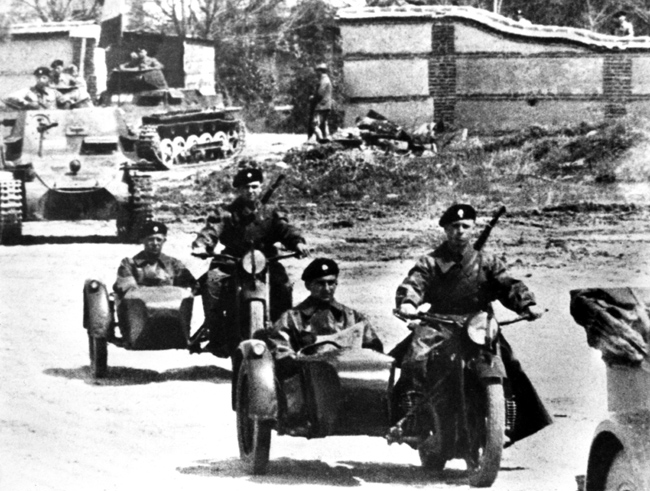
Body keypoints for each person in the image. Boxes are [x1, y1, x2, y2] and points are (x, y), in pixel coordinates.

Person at [394, 204, 551, 444]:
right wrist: (408, 303)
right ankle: (415, 421)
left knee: (511, 364)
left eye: (465, 226)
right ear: (446, 230)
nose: (460, 231)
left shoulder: (487, 261)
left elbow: (508, 285)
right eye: (454, 227)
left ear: (473, 228)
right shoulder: (430, 261)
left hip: (478, 324)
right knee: (415, 359)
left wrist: (527, 305)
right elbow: (414, 284)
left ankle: (508, 423)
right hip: (439, 323)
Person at [191, 165, 310, 356]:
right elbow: (211, 231)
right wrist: (202, 245)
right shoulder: (226, 212)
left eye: (254, 186)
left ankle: (285, 335)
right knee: (212, 284)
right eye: (245, 187)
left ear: (261, 187)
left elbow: (286, 229)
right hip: (231, 261)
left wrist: (297, 243)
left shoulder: (271, 212)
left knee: (284, 286)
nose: (250, 191)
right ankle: (216, 334)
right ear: (238, 190)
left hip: (266, 261)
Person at [266, 258, 384, 362]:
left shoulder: (352, 316)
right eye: (320, 283)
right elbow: (281, 352)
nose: (327, 289)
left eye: (331, 283)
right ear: (308, 285)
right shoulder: (291, 318)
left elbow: (374, 351)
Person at [114, 221, 196, 297]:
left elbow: (191, 286)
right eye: (150, 239)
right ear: (143, 240)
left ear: (164, 241)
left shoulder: (173, 264)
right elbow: (128, 290)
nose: (155, 243)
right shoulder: (129, 264)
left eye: (159, 240)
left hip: (169, 310)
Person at [308, 63, 333, 143]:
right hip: (326, 105)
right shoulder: (326, 79)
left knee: (314, 124)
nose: (316, 73)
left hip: (321, 106)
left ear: (320, 71)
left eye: (317, 71)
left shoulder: (324, 80)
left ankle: (322, 140)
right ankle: (327, 139)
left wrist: (313, 98)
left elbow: (320, 94)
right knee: (324, 124)